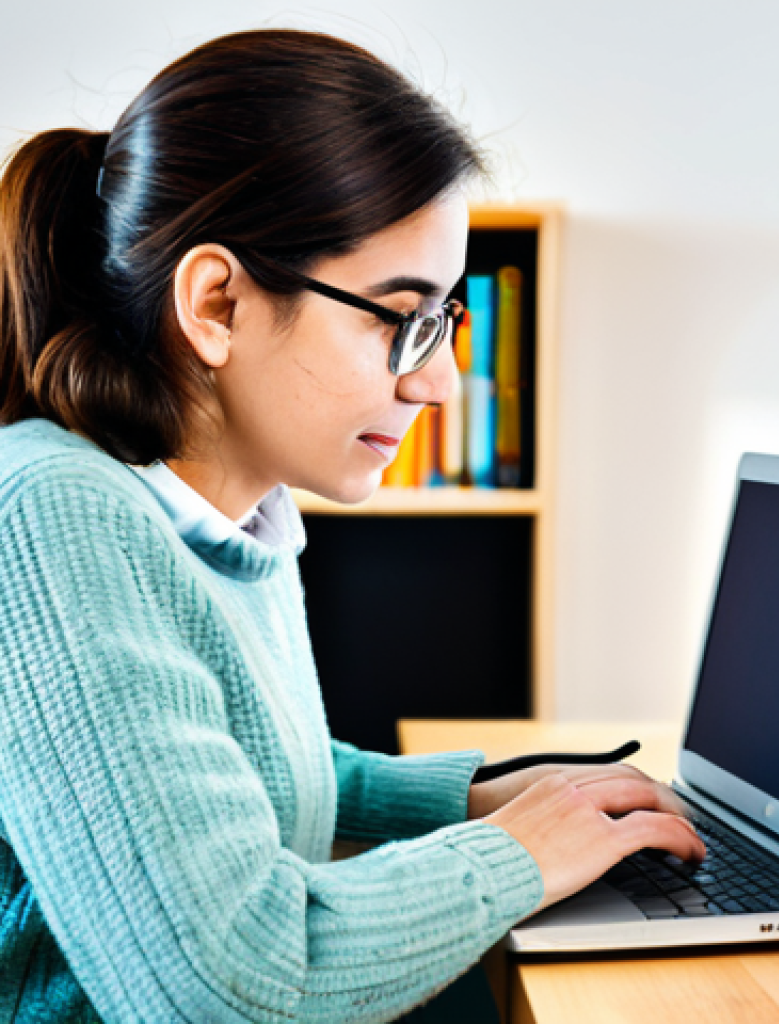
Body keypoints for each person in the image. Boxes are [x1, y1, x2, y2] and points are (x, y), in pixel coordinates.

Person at [0, 28, 705, 1023]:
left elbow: (249, 770)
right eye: (398, 317)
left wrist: (479, 800)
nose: (437, 383)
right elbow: (223, 987)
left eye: (443, 322)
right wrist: (517, 852)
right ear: (217, 302)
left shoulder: (233, 513)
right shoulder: (50, 517)